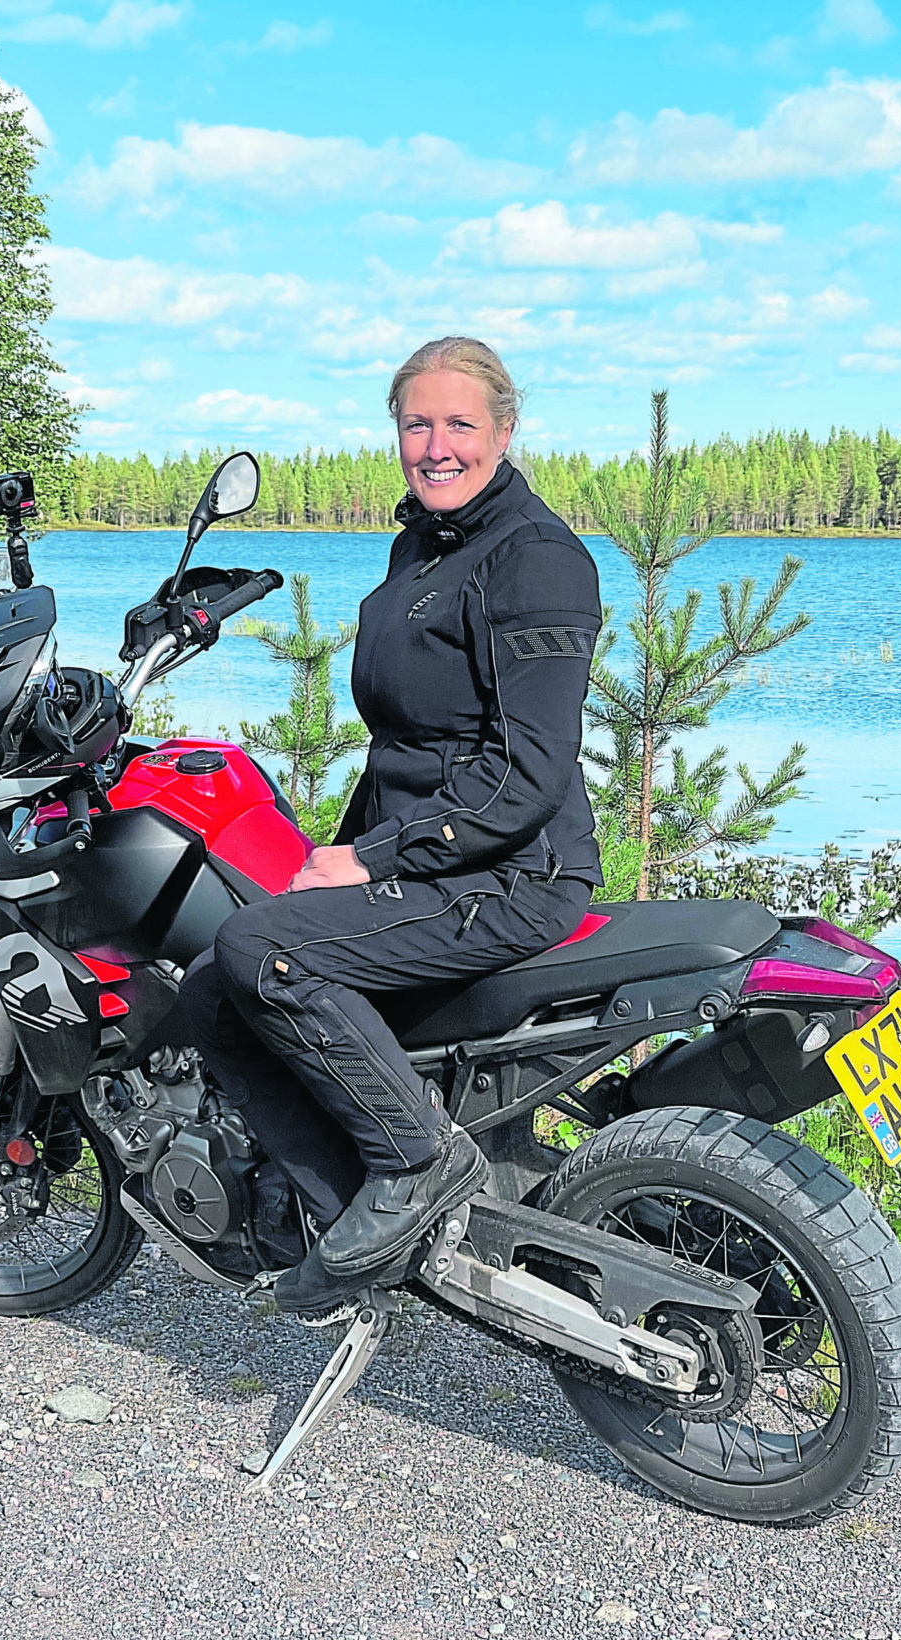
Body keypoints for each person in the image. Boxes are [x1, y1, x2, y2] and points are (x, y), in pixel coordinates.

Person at [179, 336, 602, 1321]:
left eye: (460, 423)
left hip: (512, 872)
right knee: (210, 986)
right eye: (419, 422)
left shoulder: (537, 559)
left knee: (261, 951)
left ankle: (417, 1163)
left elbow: (524, 774)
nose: (437, 444)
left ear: (505, 428)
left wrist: (367, 859)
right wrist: (332, 853)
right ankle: (339, 1230)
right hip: (436, 858)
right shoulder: (428, 542)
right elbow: (413, 745)